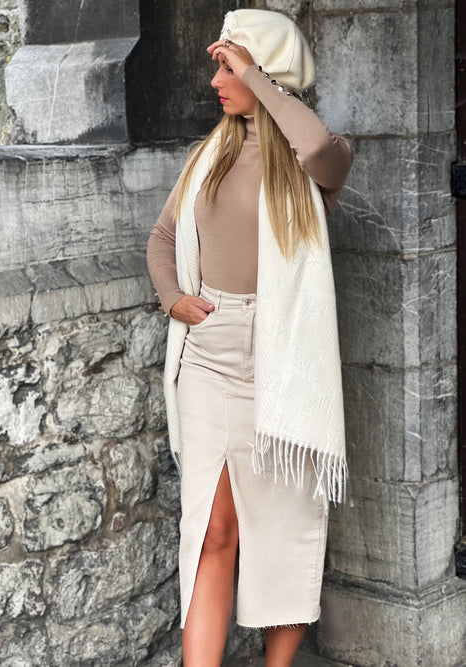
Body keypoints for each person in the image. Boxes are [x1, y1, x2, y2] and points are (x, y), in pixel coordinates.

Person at [147, 8, 353, 666]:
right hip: (210, 355)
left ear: (265, 71)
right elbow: (162, 239)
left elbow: (319, 150)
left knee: (285, 531)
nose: (216, 81)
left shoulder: (314, 161)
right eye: (219, 67)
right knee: (212, 529)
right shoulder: (209, 156)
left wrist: (257, 79)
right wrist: (175, 300)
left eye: (227, 66)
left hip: (284, 357)